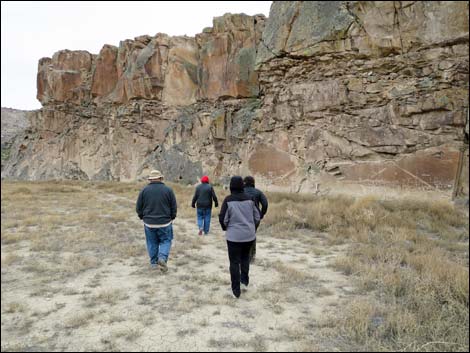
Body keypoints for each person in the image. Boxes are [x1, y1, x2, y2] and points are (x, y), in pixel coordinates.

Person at [219, 176, 260, 298]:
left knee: (234, 262)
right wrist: (253, 228)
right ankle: (244, 281)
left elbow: (223, 219)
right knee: (245, 258)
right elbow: (257, 216)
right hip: (249, 236)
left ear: (231, 186)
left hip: (233, 237)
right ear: (242, 186)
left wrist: (226, 228)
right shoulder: (251, 199)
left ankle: (236, 290)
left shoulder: (228, 200)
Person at [136, 170, 177, 273]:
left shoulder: (144, 190)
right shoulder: (168, 190)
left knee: (151, 242)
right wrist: (172, 217)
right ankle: (162, 258)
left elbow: (138, 207)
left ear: (150, 179)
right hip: (165, 222)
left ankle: (154, 263)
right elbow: (173, 206)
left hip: (149, 222)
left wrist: (142, 217)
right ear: (160, 178)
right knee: (166, 241)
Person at [243, 176, 268, 264]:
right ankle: (251, 257)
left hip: (242, 217)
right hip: (255, 218)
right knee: (252, 235)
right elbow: (265, 204)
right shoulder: (258, 192)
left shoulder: (240, 192)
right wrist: (261, 214)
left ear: (244, 183)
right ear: (253, 183)